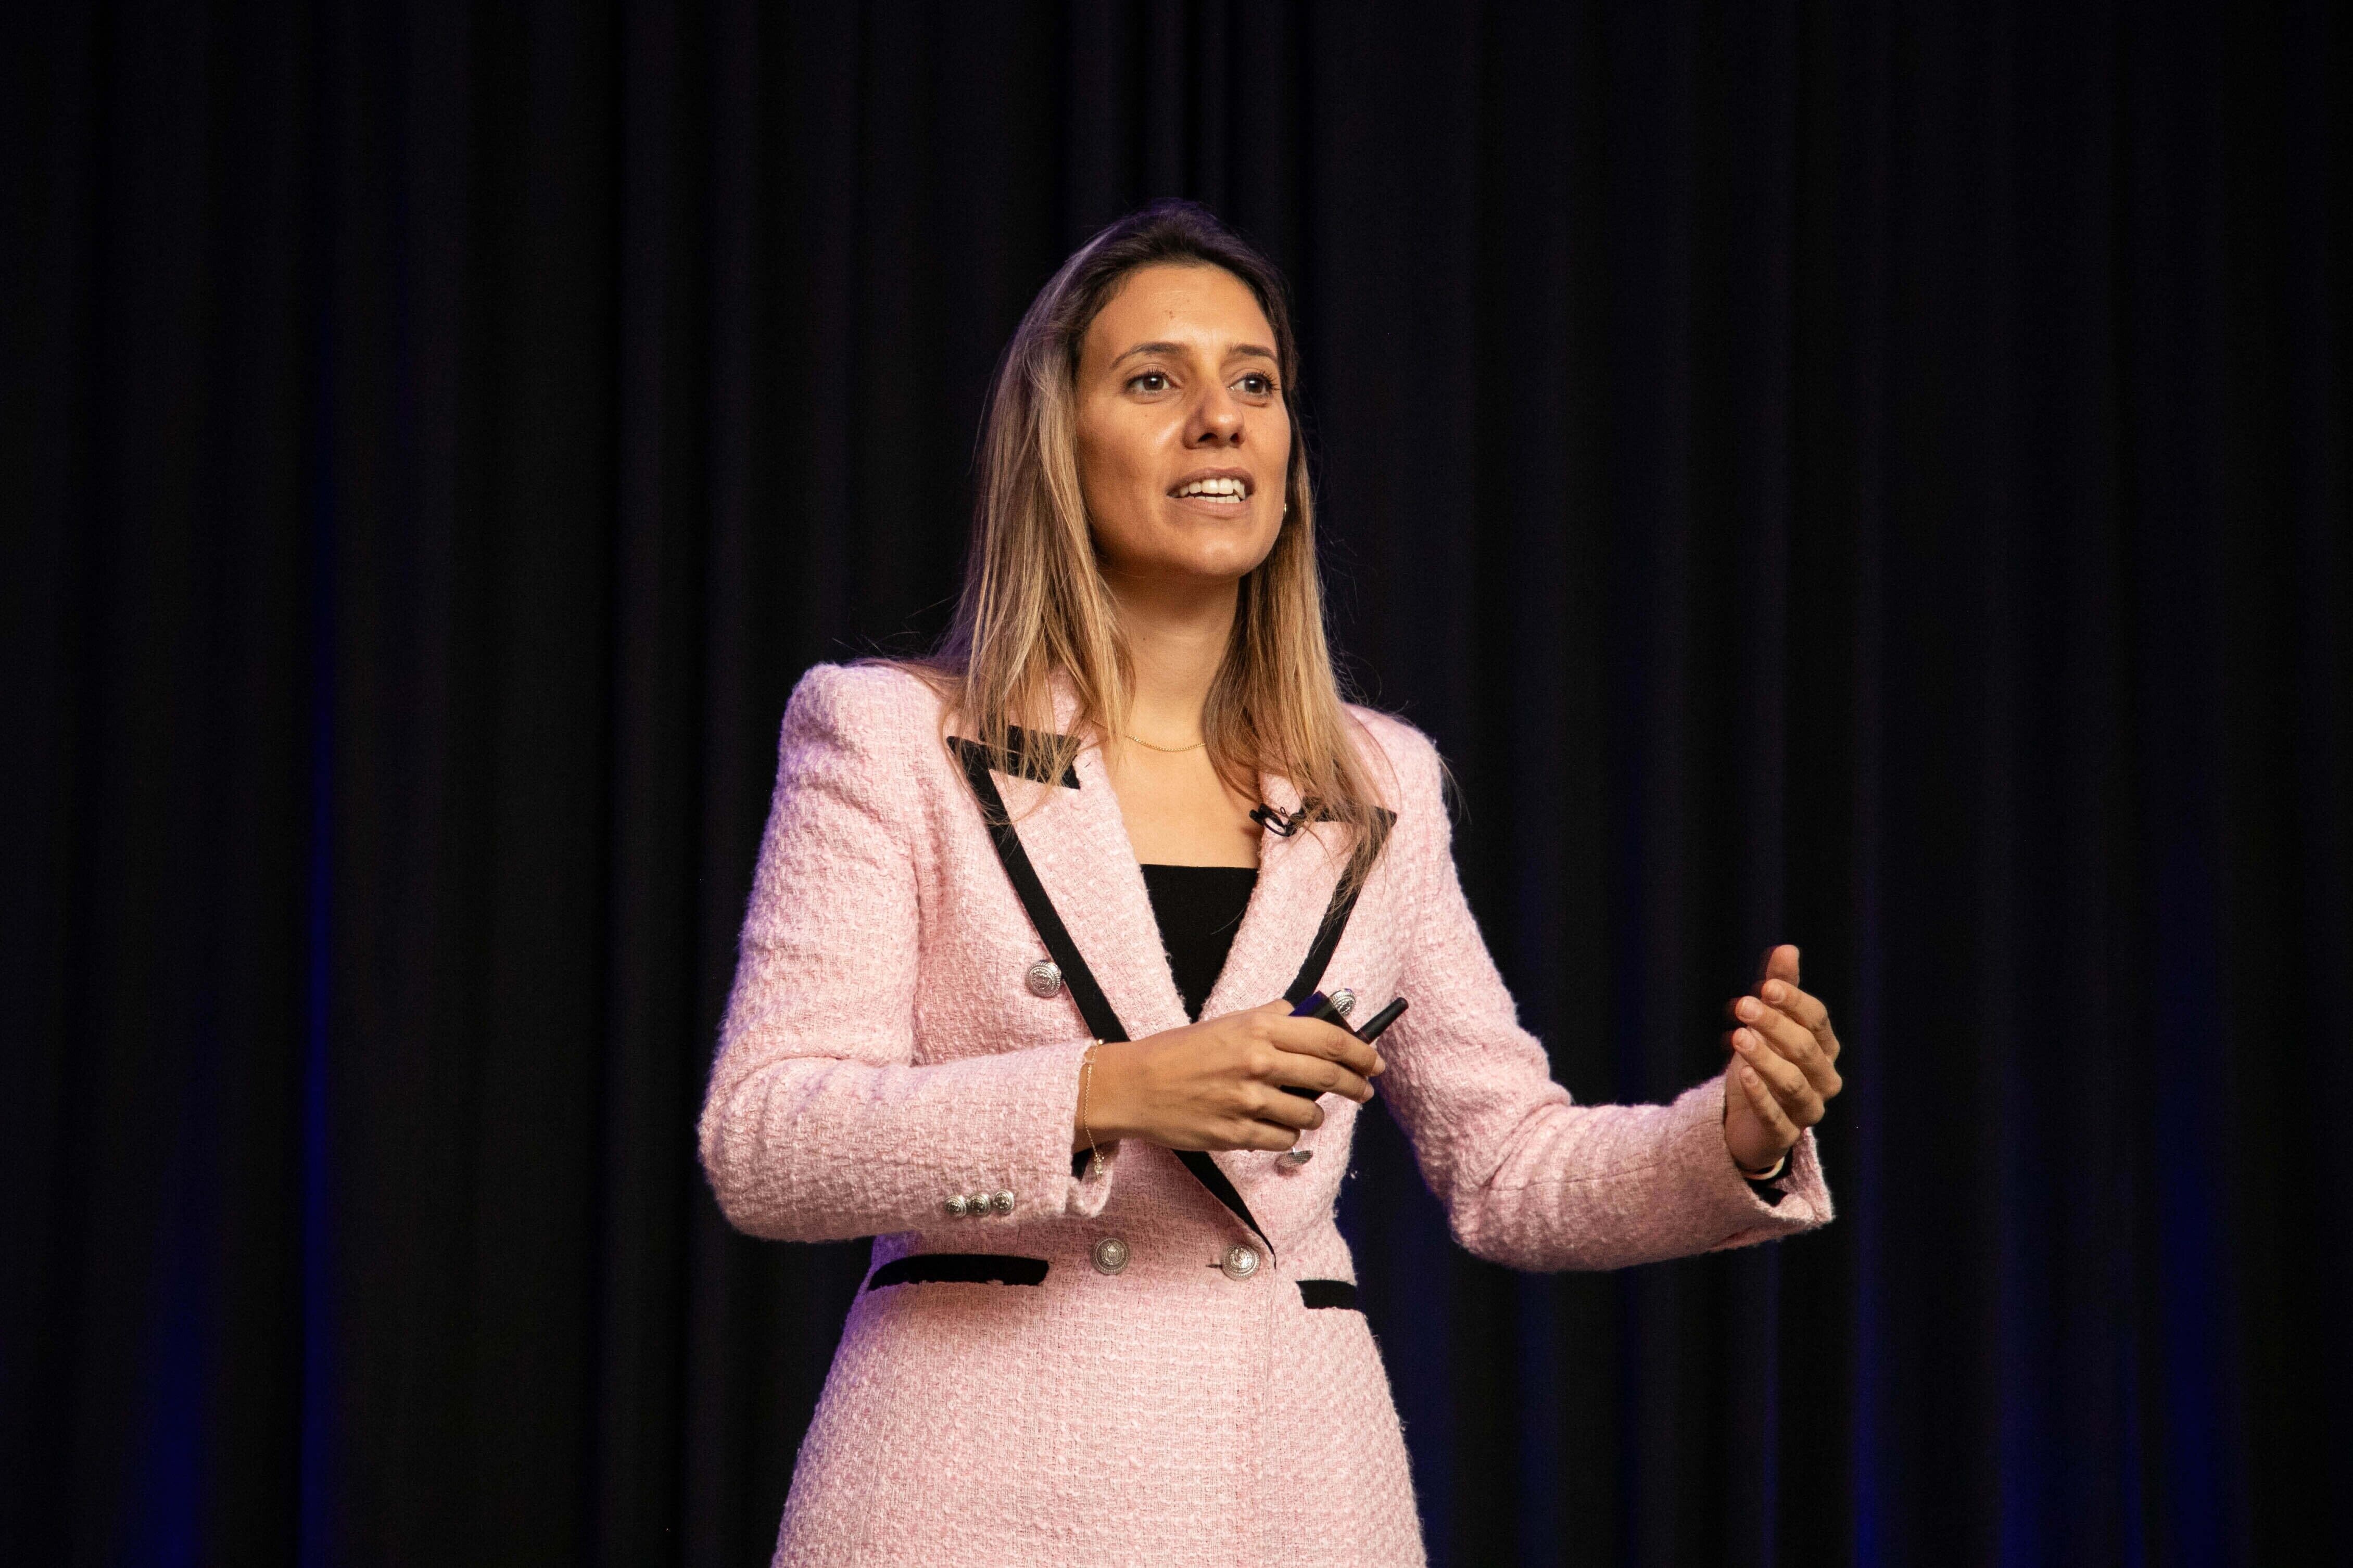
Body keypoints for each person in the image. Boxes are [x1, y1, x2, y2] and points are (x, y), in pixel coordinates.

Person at [699, 200, 1844, 1568]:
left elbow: (1509, 1169)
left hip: (1288, 1495)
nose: (1219, 420)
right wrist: (1110, 1092)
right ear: (1057, 445)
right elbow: (767, 1144)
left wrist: (1735, 1140)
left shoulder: (1377, 783)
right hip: (970, 1493)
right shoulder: (891, 737)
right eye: (1154, 381)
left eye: (1255, 383)